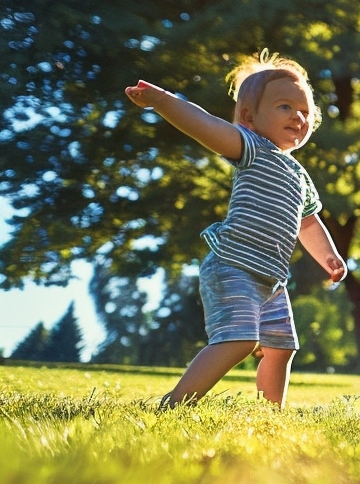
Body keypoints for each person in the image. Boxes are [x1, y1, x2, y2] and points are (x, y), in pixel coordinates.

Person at [125, 50, 347, 408]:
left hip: (271, 278)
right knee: (239, 340)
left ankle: (269, 415)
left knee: (282, 348)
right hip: (234, 264)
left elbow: (308, 222)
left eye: (305, 112)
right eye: (285, 107)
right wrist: (161, 101)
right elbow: (204, 125)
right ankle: (175, 403)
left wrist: (330, 256)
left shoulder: (300, 176)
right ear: (249, 117)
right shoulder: (252, 148)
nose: (298, 116)